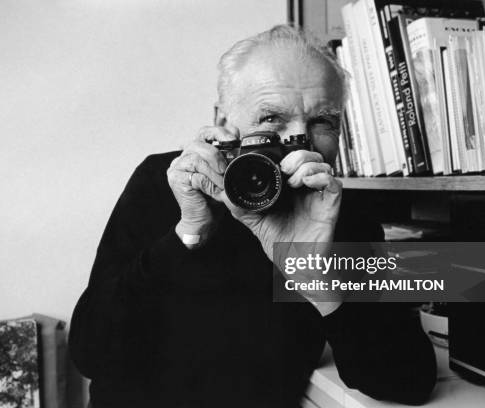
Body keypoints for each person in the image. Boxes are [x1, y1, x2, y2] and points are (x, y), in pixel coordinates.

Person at [69, 25, 436, 408]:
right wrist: (187, 235)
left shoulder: (338, 210)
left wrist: (317, 278)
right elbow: (90, 353)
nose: (300, 140)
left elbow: (410, 381)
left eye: (322, 121)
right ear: (223, 124)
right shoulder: (166, 184)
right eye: (272, 119)